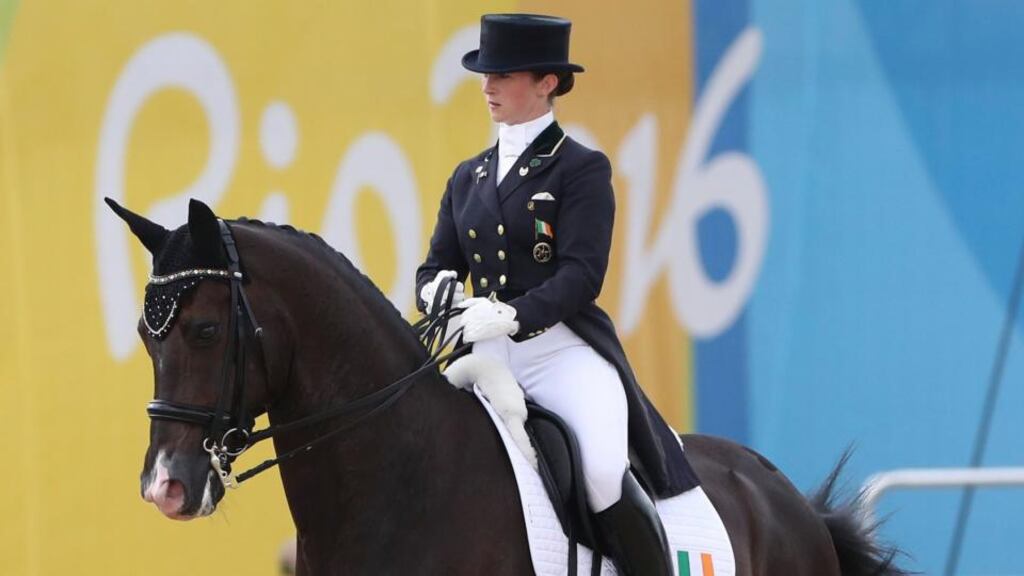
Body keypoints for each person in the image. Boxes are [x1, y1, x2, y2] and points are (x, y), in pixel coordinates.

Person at [416, 14, 699, 575]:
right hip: (482, 359)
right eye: (484, 74)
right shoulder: (467, 178)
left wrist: (511, 315)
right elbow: (435, 265)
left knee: (598, 469)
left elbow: (581, 275)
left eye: (504, 74)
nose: (487, 86)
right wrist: (437, 293)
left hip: (558, 353)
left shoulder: (580, 169)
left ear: (547, 82)